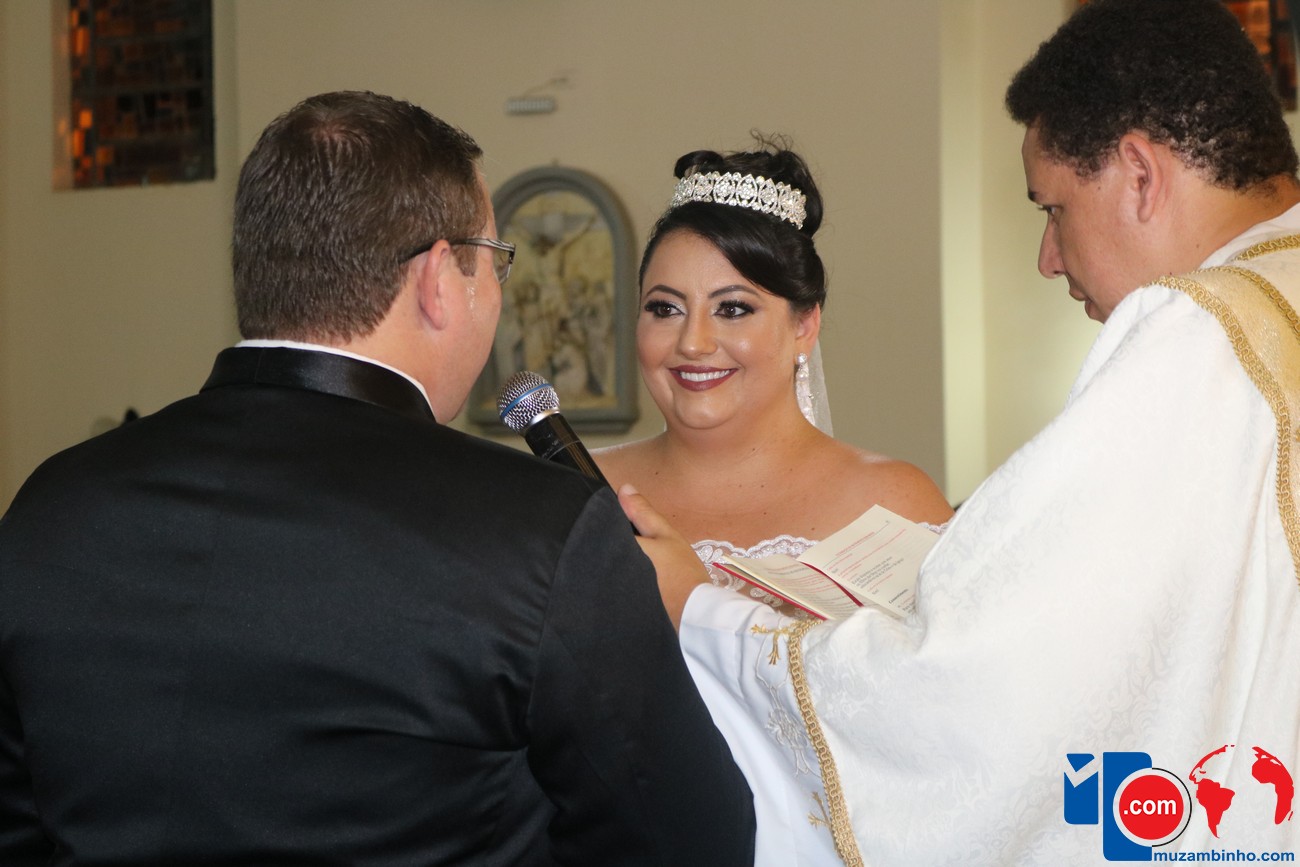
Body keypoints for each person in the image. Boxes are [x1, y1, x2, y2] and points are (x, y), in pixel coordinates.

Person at [620, 1, 1300, 863]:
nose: (1048, 258)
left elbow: (975, 686)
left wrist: (707, 613)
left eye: (1053, 208)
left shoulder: (1201, 335)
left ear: (1139, 174)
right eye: (665, 308)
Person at [0, 91, 755, 865]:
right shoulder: (538, 531)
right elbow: (692, 842)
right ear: (439, 279)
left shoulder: (50, 505)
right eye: (493, 261)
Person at [594, 143, 952, 865]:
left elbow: (935, 727)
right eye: (665, 308)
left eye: (733, 308)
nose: (693, 342)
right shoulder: (580, 491)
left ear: (804, 325)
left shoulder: (891, 500)